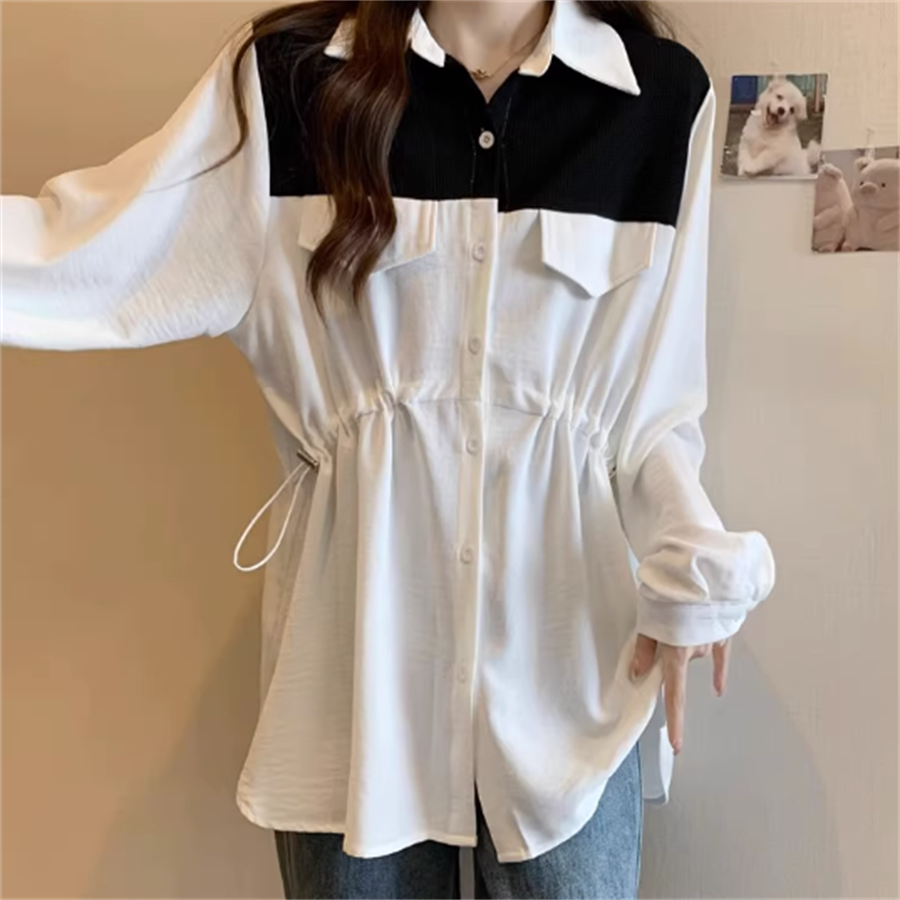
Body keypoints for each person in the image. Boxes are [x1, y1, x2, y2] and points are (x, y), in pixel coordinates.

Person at [0, 0, 776, 897]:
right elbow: (81, 246)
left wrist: (689, 559)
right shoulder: (289, 84)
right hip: (355, 682)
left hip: (568, 682)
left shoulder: (659, 100)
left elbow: (652, 412)